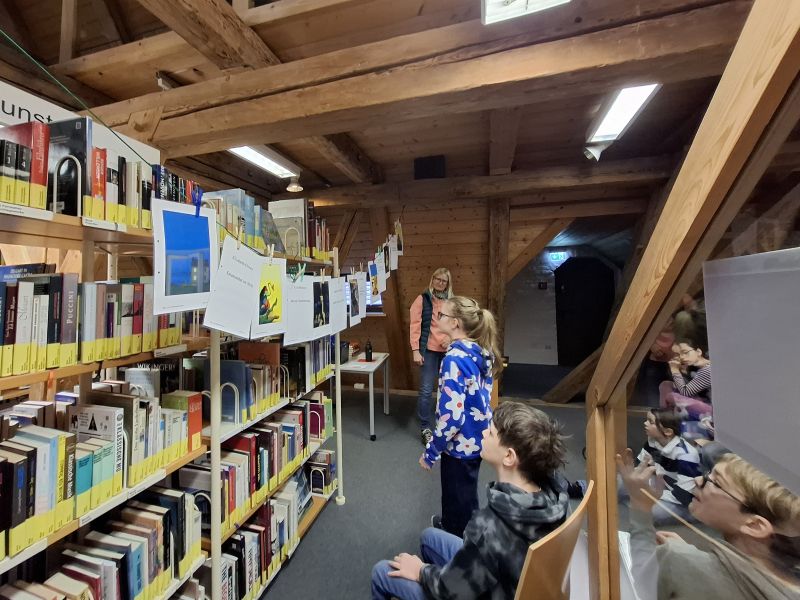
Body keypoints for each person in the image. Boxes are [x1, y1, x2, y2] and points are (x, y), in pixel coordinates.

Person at [371, 401, 570, 600]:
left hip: (487, 591)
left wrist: (420, 571)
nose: (483, 432)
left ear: (509, 456)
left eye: (490, 433)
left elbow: (448, 590)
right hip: (511, 580)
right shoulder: (556, 497)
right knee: (429, 537)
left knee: (381, 572)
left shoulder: (490, 527)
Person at [618, 448, 800, 600]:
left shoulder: (678, 559)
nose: (698, 480)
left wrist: (640, 506)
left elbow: (640, 581)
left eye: (715, 482)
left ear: (755, 526)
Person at [420, 296, 499, 538]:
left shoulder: (454, 360)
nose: (437, 317)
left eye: (441, 315)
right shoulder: (480, 351)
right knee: (466, 492)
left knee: (456, 496)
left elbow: (451, 418)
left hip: (458, 445)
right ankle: (457, 525)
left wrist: (431, 452)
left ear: (455, 323)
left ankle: (454, 538)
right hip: (477, 438)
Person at [409, 268, 453, 445]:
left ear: (448, 284)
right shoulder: (423, 299)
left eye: (444, 281)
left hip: (448, 351)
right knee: (427, 390)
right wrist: (415, 350)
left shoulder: (452, 302)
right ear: (432, 279)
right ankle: (425, 427)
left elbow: (458, 324)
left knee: (448, 389)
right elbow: (415, 325)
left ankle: (445, 425)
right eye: (438, 279)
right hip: (428, 351)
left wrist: (451, 339)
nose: (440, 283)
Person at [636, 408, 701, 524]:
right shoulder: (653, 440)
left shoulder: (686, 455)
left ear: (667, 432)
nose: (645, 423)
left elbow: (684, 495)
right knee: (620, 483)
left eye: (651, 422)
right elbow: (639, 465)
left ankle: (692, 516)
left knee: (647, 512)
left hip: (682, 500)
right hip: (664, 485)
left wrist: (651, 492)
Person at [659, 337, 713, 420]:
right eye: (678, 354)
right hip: (708, 405)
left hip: (714, 411)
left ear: (698, 352)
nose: (682, 357)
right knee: (666, 385)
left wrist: (674, 370)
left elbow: (685, 392)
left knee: (671, 396)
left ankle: (665, 419)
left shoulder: (707, 370)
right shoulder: (700, 368)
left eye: (685, 352)